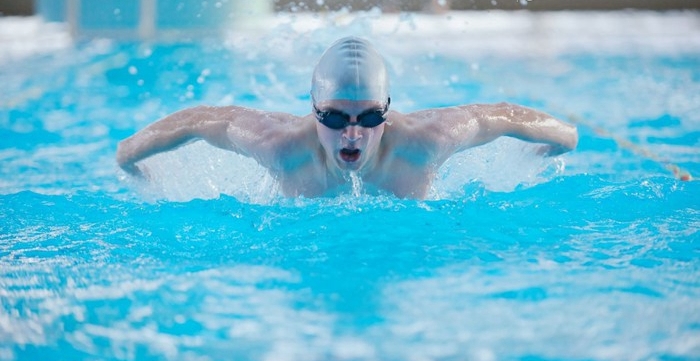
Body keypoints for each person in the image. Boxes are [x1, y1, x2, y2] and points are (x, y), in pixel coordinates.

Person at [116, 36, 578, 199]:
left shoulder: (426, 142)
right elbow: (200, 120)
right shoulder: (280, 146)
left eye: (370, 117)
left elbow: (498, 115)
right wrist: (130, 156)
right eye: (336, 119)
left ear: (388, 109)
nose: (353, 133)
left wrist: (561, 138)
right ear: (313, 109)